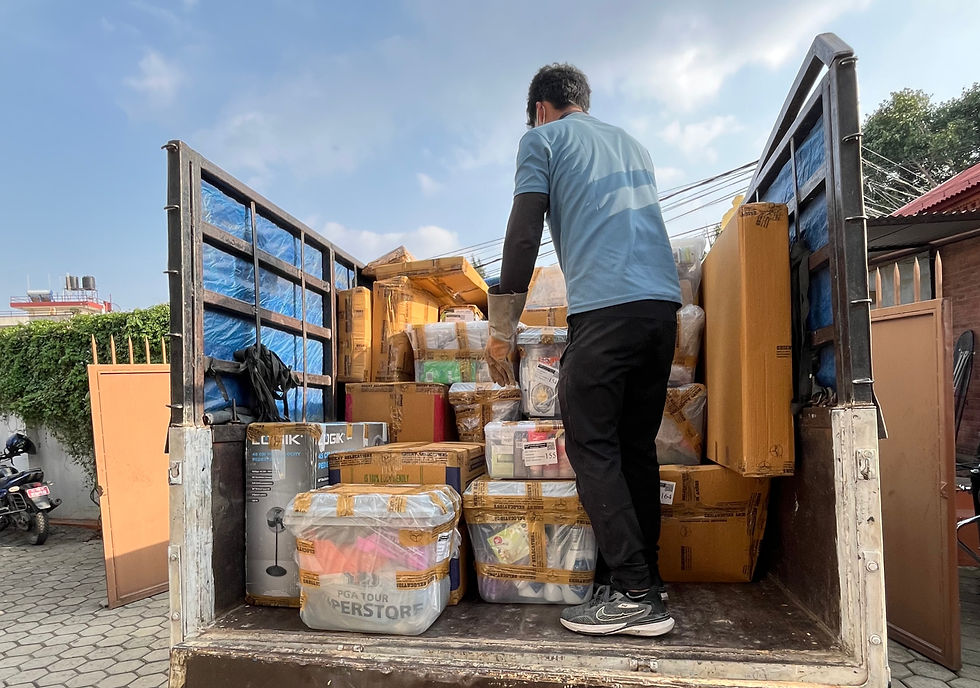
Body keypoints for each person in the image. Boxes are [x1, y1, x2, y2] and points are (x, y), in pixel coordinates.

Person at [485, 63, 681, 637]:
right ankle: (648, 580)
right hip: (659, 312)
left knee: (591, 445)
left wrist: (503, 326)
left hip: (606, 310)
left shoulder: (541, 139)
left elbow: (523, 234)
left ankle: (633, 594)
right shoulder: (633, 144)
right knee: (634, 447)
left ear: (540, 107)